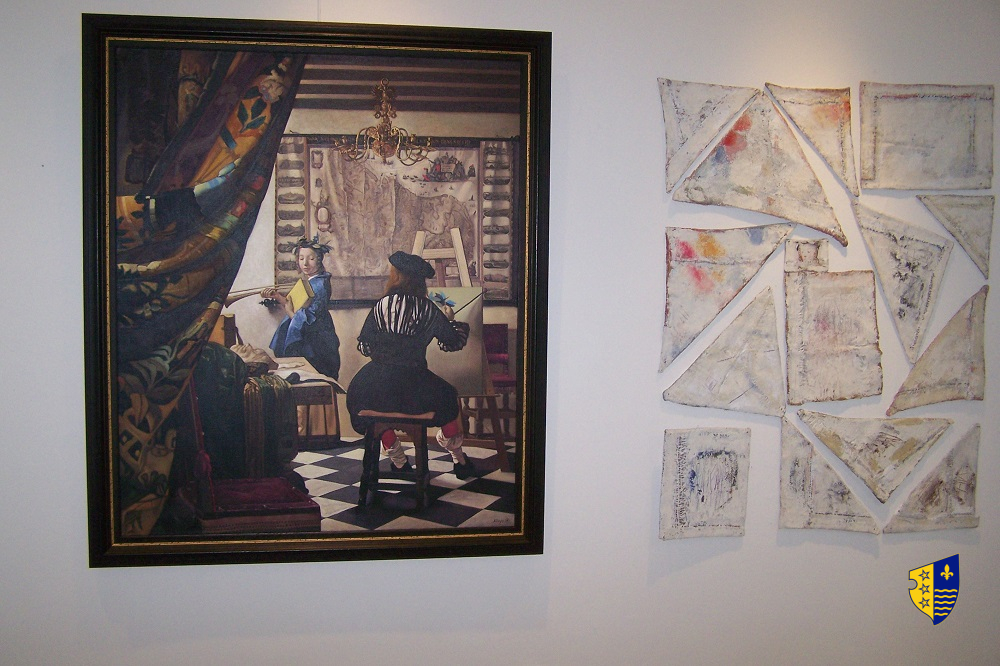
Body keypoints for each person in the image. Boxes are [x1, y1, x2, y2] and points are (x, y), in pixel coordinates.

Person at [346, 251, 477, 479]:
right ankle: (459, 459)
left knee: (371, 404)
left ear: (397, 276)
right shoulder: (428, 309)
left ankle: (398, 460)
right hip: (415, 385)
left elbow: (366, 345)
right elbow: (453, 342)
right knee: (448, 398)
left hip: (376, 383)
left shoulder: (381, 305)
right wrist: (450, 320)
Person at [261, 236, 341, 380]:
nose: (305, 263)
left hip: (317, 340)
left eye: (311, 258)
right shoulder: (311, 281)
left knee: (313, 376)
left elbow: (307, 321)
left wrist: (289, 311)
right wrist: (277, 296)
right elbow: (296, 306)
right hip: (310, 336)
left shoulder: (320, 285)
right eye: (301, 258)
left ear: (319, 260)